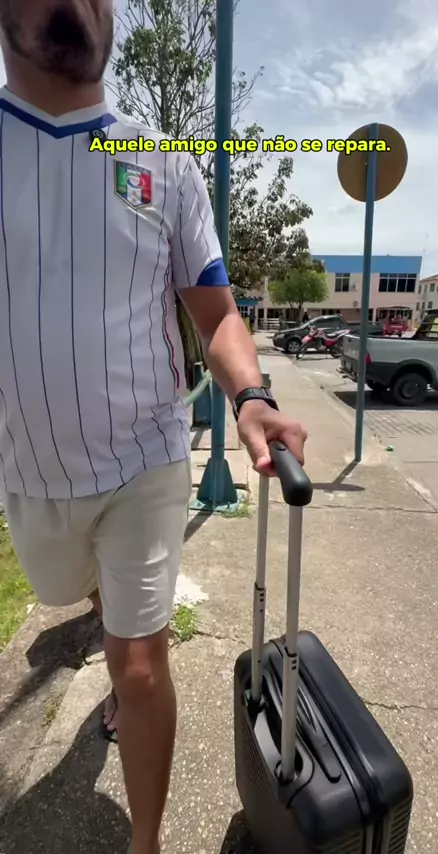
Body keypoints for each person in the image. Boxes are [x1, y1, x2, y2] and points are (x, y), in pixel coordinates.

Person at [0, 3, 307, 854]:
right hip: (29, 471)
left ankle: (146, 842)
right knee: (71, 593)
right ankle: (106, 614)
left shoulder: (163, 162)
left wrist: (251, 396)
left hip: (146, 456)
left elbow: (216, 314)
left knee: (139, 666)